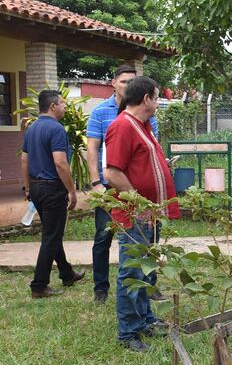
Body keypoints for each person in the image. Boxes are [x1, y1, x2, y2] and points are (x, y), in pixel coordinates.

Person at [104, 76, 181, 353]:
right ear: (146, 98)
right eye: (157, 97)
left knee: (146, 272)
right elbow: (111, 172)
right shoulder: (122, 126)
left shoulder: (143, 125)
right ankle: (128, 333)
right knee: (132, 273)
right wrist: (140, 202)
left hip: (150, 215)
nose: (159, 102)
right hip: (135, 216)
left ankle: (145, 319)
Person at [86, 65, 159, 303]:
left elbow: (151, 147)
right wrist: (96, 182)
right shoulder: (103, 114)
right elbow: (93, 149)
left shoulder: (146, 116)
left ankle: (149, 285)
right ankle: (100, 288)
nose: (129, 86)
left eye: (132, 82)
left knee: (147, 239)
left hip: (137, 192)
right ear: (114, 83)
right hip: (112, 187)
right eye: (125, 81)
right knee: (104, 237)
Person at [20, 90, 84, 298]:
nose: (65, 106)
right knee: (51, 236)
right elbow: (60, 162)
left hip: (37, 188)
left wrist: (28, 188)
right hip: (52, 188)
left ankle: (67, 274)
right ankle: (39, 285)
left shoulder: (32, 128)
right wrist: (71, 191)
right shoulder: (56, 129)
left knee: (52, 233)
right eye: (63, 103)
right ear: (53, 106)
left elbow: (24, 160)